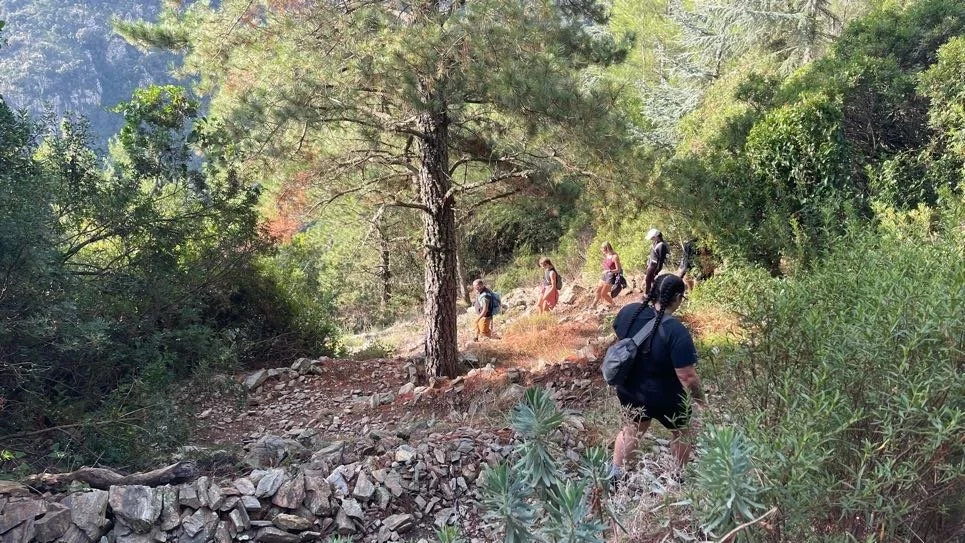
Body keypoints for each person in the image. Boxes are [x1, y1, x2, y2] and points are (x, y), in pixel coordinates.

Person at [610, 274, 705, 479]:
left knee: (632, 428)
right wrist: (701, 401)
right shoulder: (676, 331)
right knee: (682, 432)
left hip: (631, 389)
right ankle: (676, 477)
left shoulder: (629, 312)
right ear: (678, 298)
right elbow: (687, 376)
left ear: (654, 291)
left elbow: (620, 335)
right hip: (666, 397)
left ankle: (616, 476)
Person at [592, 241, 621, 309]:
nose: (602, 251)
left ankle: (614, 305)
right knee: (597, 291)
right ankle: (593, 305)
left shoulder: (615, 257)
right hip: (605, 275)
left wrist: (609, 271)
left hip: (611, 276)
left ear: (607, 249)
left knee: (603, 294)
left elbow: (618, 269)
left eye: (603, 249)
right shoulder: (607, 255)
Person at [644, 229, 669, 296]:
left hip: (654, 266)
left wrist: (657, 271)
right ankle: (652, 295)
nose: (651, 239)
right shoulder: (656, 243)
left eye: (652, 238)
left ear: (657, 236)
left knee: (648, 280)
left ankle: (647, 295)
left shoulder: (662, 245)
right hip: (651, 264)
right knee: (650, 281)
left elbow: (661, 260)